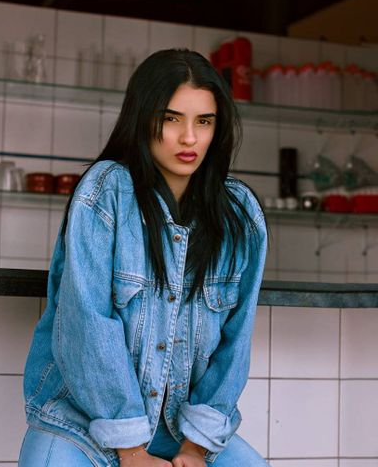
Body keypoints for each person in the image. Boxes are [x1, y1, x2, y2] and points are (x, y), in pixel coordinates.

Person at [18, 48, 268, 466]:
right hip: (81, 425)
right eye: (171, 119)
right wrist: (131, 450)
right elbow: (88, 326)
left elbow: (235, 344)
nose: (189, 138)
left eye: (203, 121)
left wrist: (196, 446)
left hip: (180, 431)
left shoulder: (239, 215)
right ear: (142, 118)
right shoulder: (106, 193)